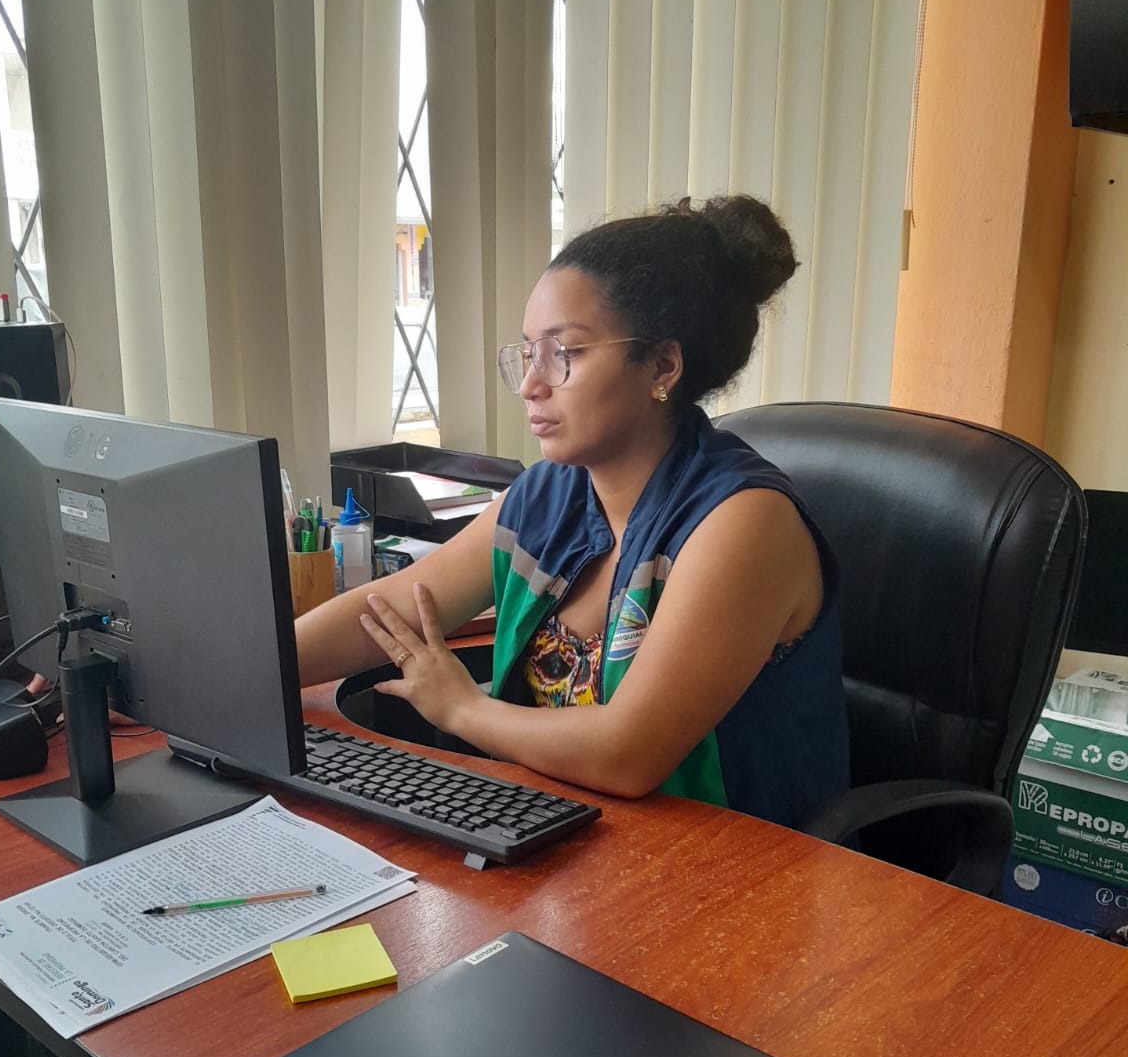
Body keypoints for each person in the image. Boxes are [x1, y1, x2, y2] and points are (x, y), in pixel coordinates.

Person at [297, 195, 849, 828]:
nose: (532, 384)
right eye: (529, 353)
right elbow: (388, 611)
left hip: (728, 862)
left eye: (565, 353)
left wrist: (461, 709)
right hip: (563, 830)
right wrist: (248, 669)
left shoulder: (742, 522)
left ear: (662, 364)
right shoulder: (547, 495)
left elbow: (629, 754)